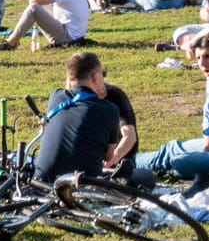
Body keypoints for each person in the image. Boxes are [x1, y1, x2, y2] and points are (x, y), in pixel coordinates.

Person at [136, 33, 209, 194]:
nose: (202, 64)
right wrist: (207, 146)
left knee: (181, 162)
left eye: (208, 57)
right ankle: (121, 163)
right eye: (198, 58)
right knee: (171, 150)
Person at [40, 52, 147, 186]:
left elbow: (129, 137)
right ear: (96, 77)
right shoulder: (109, 109)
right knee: (147, 175)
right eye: (103, 74)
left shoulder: (55, 97)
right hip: (86, 183)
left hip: (43, 180)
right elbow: (108, 156)